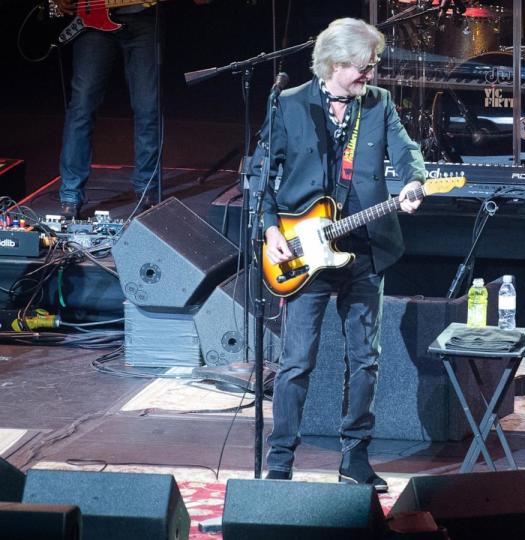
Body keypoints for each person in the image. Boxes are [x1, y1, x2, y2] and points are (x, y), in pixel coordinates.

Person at [252, 18, 426, 491]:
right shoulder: (288, 105)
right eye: (364, 68)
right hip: (303, 253)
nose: (370, 75)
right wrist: (270, 231)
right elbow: (260, 178)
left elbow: (408, 151)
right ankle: (281, 461)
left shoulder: (380, 103)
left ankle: (355, 458)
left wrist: (413, 181)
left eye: (371, 67)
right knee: (296, 363)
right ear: (336, 63)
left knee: (365, 359)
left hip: (365, 248)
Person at [53, 0, 210, 218]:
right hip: (92, 18)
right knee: (82, 105)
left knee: (148, 107)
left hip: (143, 18)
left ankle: (147, 189)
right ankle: (71, 193)